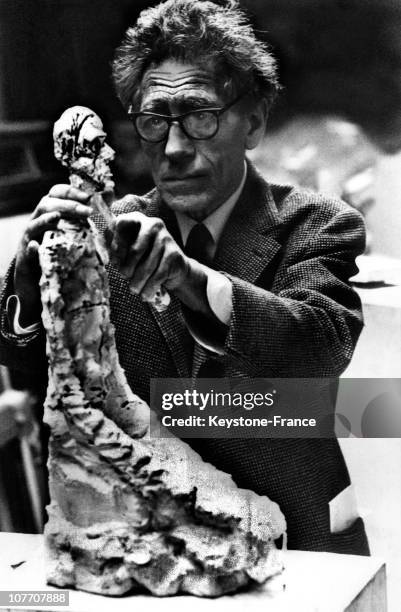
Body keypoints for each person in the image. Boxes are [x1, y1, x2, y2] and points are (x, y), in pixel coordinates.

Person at [0, 0, 369, 554]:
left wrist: (190, 279)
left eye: (200, 116)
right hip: (153, 545)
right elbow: (32, 362)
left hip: (300, 540)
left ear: (254, 121)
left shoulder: (317, 223)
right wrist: (34, 278)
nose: (173, 149)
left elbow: (319, 351)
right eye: (154, 121)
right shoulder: (112, 226)